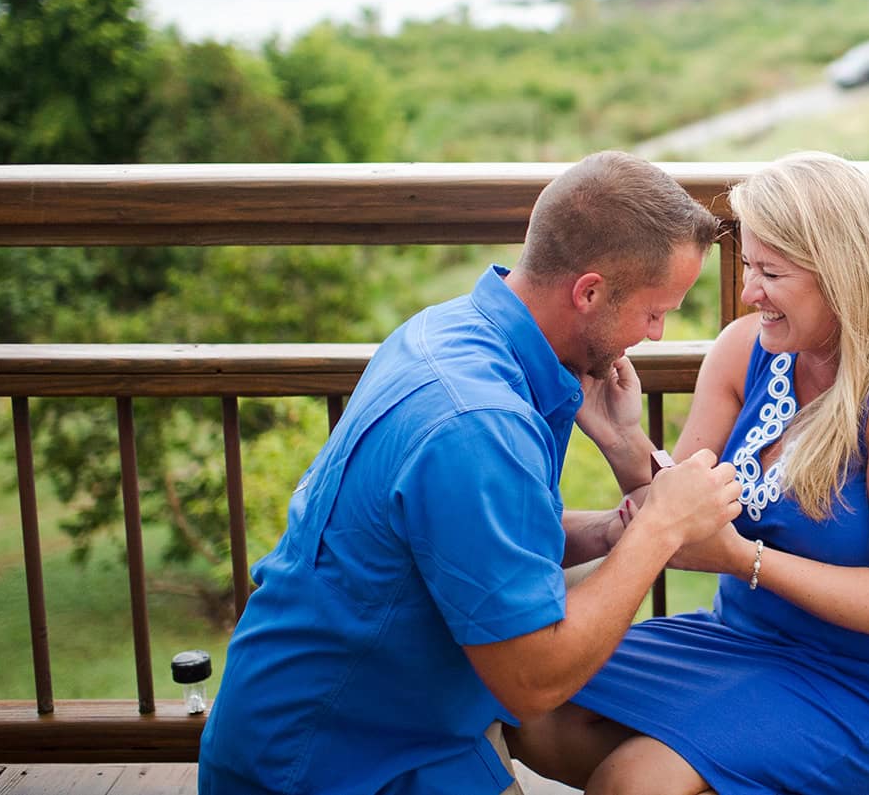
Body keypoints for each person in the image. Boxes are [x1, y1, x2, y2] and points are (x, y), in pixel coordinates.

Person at [198, 151, 741, 795]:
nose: (655, 335)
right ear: (589, 292)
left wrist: (609, 527)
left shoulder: (454, 331)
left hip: (378, 721)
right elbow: (534, 679)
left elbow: (474, 541)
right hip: (334, 760)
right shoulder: (477, 422)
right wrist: (657, 530)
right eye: (656, 311)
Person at [511, 151, 869, 795]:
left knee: (636, 782)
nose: (747, 291)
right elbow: (681, 510)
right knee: (524, 697)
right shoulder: (747, 350)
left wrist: (743, 560)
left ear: (841, 274)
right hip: (744, 638)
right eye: (748, 264)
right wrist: (625, 441)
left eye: (770, 271)